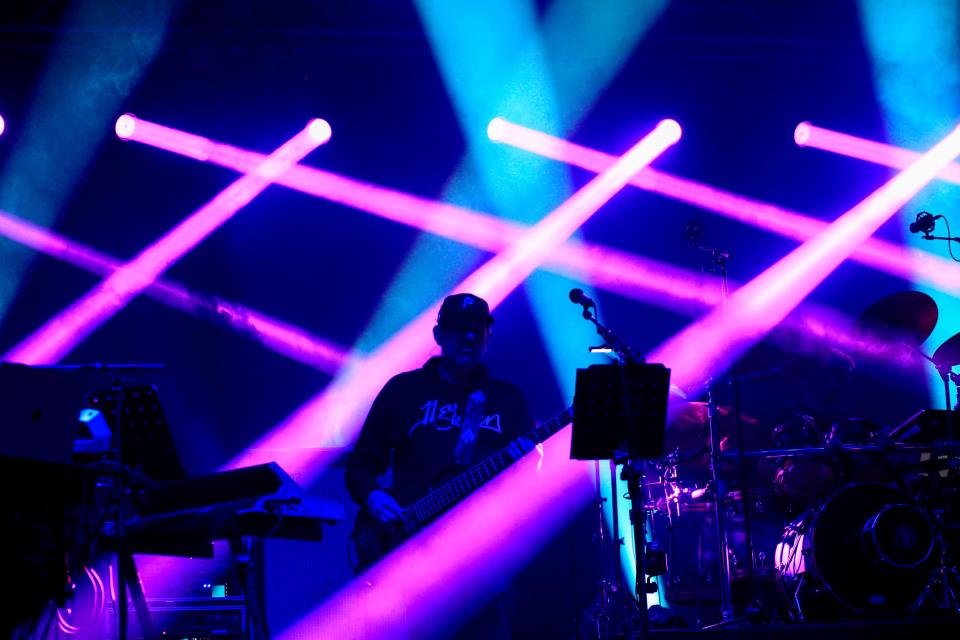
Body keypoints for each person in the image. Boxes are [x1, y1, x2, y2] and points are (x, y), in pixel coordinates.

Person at [345, 292, 536, 638]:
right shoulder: (403, 391)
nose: (470, 337)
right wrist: (373, 497)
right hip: (406, 555)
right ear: (438, 335)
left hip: (480, 560)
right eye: (461, 328)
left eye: (479, 329)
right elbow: (360, 465)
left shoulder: (506, 399)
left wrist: (526, 469)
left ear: (488, 336)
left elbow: (526, 482)